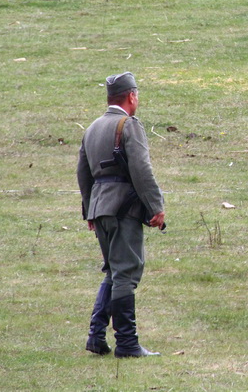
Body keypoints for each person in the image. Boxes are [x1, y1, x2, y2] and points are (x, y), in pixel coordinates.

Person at [77, 72, 166, 358]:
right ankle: (127, 343)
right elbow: (142, 170)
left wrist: (90, 210)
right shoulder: (129, 125)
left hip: (99, 208)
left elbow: (83, 173)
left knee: (113, 272)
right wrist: (156, 206)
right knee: (125, 272)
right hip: (123, 209)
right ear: (131, 96)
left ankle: (96, 336)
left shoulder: (92, 128)